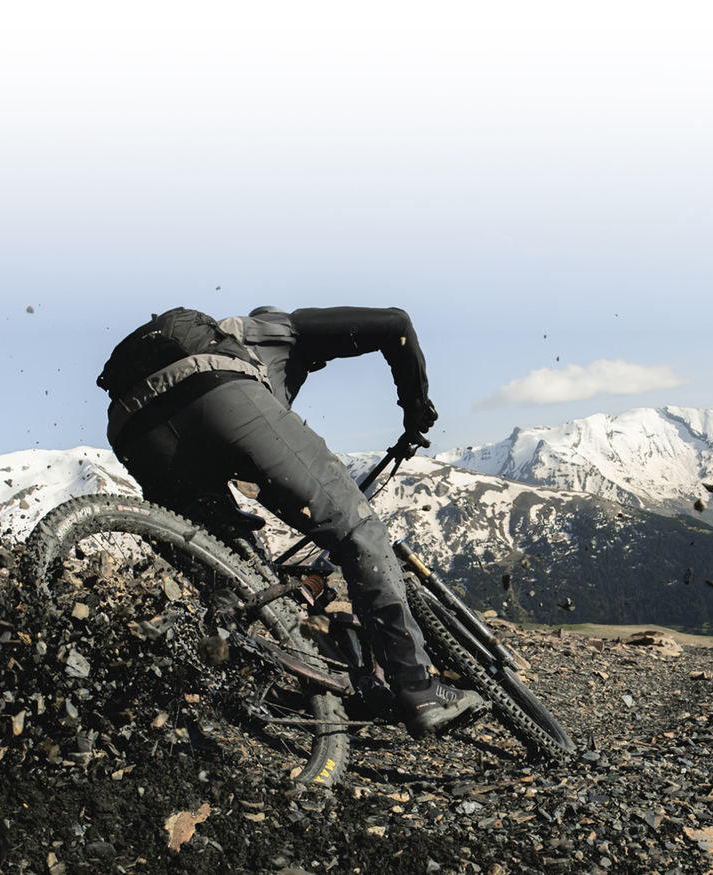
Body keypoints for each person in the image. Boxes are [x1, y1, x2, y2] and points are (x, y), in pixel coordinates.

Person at [95, 304, 485, 738]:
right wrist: (415, 409)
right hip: (215, 392)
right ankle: (418, 687)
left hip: (132, 430)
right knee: (359, 533)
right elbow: (396, 323)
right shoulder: (274, 328)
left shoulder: (223, 346)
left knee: (234, 576)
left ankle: (254, 681)